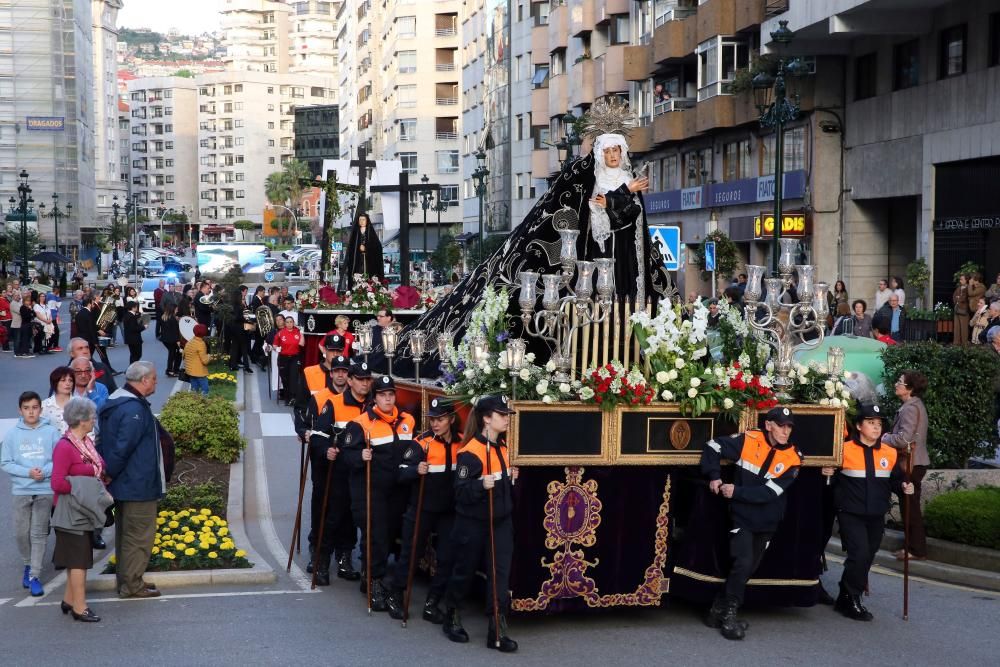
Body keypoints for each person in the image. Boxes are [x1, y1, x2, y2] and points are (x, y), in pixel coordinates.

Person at [700, 406, 803, 641]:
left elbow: (768, 493)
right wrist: (714, 475)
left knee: (749, 568)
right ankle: (729, 615)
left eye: (789, 427)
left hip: (768, 520)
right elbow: (713, 446)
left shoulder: (794, 457)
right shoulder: (749, 439)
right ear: (768, 425)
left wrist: (735, 491)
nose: (785, 431)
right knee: (742, 563)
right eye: (780, 425)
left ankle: (717, 609)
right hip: (742, 518)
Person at [822, 403, 914, 621]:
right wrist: (826, 473)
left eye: (879, 423)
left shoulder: (889, 452)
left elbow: (895, 480)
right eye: (871, 423)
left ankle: (845, 594)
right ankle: (852, 598)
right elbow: (831, 481)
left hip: (876, 514)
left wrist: (903, 487)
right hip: (850, 512)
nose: (876, 427)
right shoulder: (844, 450)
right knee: (859, 553)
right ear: (859, 426)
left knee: (866, 557)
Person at [441, 395, 518, 652]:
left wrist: (511, 477)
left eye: (507, 415)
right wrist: (478, 485)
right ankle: (451, 614)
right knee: (464, 570)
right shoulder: (470, 453)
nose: (507, 419)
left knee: (500, 575)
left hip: (501, 522)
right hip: (473, 523)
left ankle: (497, 626)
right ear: (487, 418)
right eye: (501, 415)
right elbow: (460, 492)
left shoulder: (504, 448)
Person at [341, 374, 416, 611]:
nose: (388, 399)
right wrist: (359, 457)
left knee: (389, 535)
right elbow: (346, 454)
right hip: (371, 491)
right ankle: (374, 582)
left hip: (397, 491)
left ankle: (368, 575)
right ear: (375, 399)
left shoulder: (408, 421)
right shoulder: (361, 424)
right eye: (383, 395)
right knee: (377, 537)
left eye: (391, 395)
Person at [387, 397, 461, 623]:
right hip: (422, 507)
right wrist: (415, 470)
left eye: (440, 419)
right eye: (432, 420)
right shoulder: (422, 443)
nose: (435, 424)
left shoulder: (461, 443)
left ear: (451, 419)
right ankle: (396, 595)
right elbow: (400, 471)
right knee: (411, 553)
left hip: (448, 511)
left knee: (447, 557)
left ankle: (432, 602)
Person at [97, 361, 164, 600]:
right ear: (144, 380)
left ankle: (128, 581)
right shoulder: (132, 409)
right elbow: (123, 448)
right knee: (138, 536)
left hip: (127, 484)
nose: (156, 382)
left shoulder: (118, 402)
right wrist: (110, 472)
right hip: (137, 483)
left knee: (127, 535)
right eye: (154, 378)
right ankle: (132, 585)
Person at [299, 356, 368, 585]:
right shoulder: (333, 403)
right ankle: (320, 561)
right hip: (334, 471)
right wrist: (326, 449)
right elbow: (317, 436)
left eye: (368, 380)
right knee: (330, 517)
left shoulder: (372, 406)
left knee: (350, 518)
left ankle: (345, 560)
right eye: (360, 379)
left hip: (358, 472)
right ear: (350, 381)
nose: (365, 384)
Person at [51, 397, 111, 622]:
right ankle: (80, 607)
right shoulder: (65, 447)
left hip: (82, 509)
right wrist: (81, 487)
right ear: (81, 420)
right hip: (71, 510)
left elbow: (97, 467)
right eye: (91, 417)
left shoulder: (85, 442)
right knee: (79, 561)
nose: (94, 419)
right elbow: (57, 483)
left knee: (77, 557)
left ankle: (69, 599)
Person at [1, 391, 60, 597]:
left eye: (34, 407)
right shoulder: (12, 435)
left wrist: (43, 472)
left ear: (40, 409)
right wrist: (27, 472)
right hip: (21, 489)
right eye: (26, 408)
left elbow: (59, 458)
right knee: (20, 532)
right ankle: (28, 563)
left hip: (44, 489)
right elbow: (5, 462)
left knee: (38, 533)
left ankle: (34, 575)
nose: (31, 412)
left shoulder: (51, 432)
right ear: (20, 410)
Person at [882, 370, 930, 561]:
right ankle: (912, 547)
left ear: (909, 389)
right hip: (911, 463)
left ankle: (916, 549)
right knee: (908, 505)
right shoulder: (913, 405)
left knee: (910, 507)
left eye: (900, 382)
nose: (896, 384)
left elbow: (904, 439)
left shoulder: (910, 408)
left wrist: (885, 437)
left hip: (910, 464)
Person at [339, 212, 385, 292]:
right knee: (358, 276)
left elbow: (377, 247)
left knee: (369, 276)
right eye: (360, 220)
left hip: (369, 261)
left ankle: (370, 290)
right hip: (357, 260)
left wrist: (366, 248)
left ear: (367, 221)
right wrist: (357, 248)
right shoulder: (355, 233)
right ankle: (357, 291)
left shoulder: (371, 232)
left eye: (364, 220)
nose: (362, 222)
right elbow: (351, 247)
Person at [275, 314, 305, 404]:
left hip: (294, 358)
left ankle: (293, 397)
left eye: (291, 322)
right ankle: (287, 398)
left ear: (293, 323)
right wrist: (276, 348)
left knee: (294, 377)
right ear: (285, 323)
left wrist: (302, 334)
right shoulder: (280, 333)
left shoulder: (297, 332)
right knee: (285, 378)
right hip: (283, 358)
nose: (289, 324)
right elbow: (275, 344)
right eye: (287, 322)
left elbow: (302, 344)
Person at [42, 367, 76, 435]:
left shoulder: (81, 404)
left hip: (75, 445)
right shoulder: (44, 405)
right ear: (55, 383)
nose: (68, 383)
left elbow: (89, 431)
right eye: (63, 380)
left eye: (70, 380)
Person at [183, 323, 211, 396]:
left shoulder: (190, 342)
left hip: (190, 371)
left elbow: (183, 355)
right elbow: (205, 361)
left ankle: (194, 404)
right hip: (199, 372)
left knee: (194, 390)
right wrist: (209, 356)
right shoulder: (201, 344)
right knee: (205, 389)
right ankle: (203, 404)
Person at [160, 303, 183, 377]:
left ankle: (172, 370)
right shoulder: (172, 319)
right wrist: (178, 341)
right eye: (176, 309)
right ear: (172, 309)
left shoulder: (164, 317)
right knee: (177, 354)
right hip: (172, 339)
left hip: (165, 339)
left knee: (172, 354)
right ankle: (172, 370)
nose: (177, 310)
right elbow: (175, 331)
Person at [122, 300, 146, 365]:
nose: (137, 308)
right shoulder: (131, 316)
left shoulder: (127, 315)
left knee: (133, 355)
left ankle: (131, 368)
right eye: (136, 306)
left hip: (130, 338)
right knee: (137, 355)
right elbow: (134, 328)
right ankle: (132, 369)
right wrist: (144, 327)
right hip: (134, 339)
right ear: (133, 308)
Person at [952, 273, 970, 346]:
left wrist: (959, 298)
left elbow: (964, 298)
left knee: (964, 328)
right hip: (957, 309)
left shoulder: (968, 288)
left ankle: (964, 344)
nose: (960, 281)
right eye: (960, 279)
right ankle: (956, 343)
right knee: (956, 327)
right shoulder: (959, 288)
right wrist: (958, 298)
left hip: (964, 310)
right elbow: (954, 296)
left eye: (962, 279)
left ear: (966, 280)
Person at [0, 287, 12, 352]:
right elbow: (9, 307)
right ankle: (5, 347)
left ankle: (6, 347)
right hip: (5, 319)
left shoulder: (5, 299)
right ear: (1, 294)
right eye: (3, 292)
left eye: (5, 292)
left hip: (8, 318)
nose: (5, 294)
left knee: (7, 333)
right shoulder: (1, 300)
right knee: (6, 333)